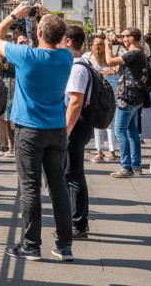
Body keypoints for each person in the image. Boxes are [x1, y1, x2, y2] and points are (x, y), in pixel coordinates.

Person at [0, 4, 75, 262]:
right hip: (57, 129)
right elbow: (56, 37)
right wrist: (48, 16)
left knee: (30, 187)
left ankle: (31, 244)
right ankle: (64, 244)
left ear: (38, 33)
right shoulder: (66, 57)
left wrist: (15, 15)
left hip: (29, 130)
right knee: (58, 186)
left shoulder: (26, 56)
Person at [62, 25, 96, 239]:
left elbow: (75, 102)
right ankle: (76, 220)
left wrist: (64, 131)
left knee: (73, 173)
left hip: (75, 123)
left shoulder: (77, 67)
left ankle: (78, 223)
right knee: (71, 172)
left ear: (68, 42)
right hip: (79, 122)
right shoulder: (83, 64)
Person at [102, 28, 150, 178]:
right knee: (132, 132)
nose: (123, 39)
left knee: (120, 131)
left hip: (127, 97)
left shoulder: (134, 53)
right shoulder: (138, 52)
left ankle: (126, 166)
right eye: (122, 36)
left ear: (134, 37)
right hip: (135, 96)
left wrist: (107, 46)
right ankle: (135, 166)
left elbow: (110, 61)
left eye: (126, 36)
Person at [83, 35, 118, 162]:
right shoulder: (88, 57)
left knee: (110, 122)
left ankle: (112, 150)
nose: (98, 47)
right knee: (97, 123)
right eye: (96, 44)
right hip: (96, 94)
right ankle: (99, 151)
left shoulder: (109, 58)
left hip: (109, 93)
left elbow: (116, 70)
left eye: (100, 44)